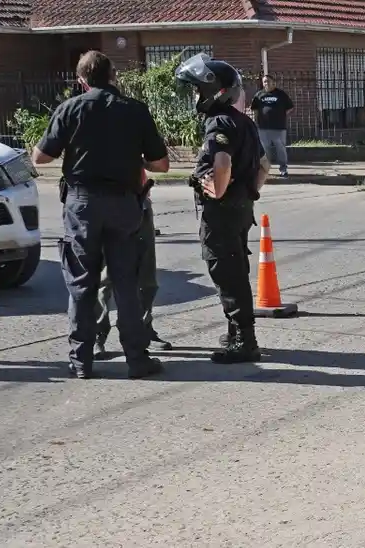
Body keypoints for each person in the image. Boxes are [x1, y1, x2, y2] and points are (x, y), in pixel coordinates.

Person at [31, 51, 170, 380]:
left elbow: (40, 157)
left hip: (82, 205)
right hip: (124, 205)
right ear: (113, 76)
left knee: (81, 284)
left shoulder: (70, 109)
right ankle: (137, 358)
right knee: (126, 282)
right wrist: (134, 159)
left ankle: (81, 361)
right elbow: (160, 164)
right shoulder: (135, 111)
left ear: (81, 80)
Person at [176, 53, 269, 364]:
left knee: (227, 273)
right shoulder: (245, 122)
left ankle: (245, 340)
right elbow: (264, 164)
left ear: (213, 90)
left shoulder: (217, 122)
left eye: (197, 90)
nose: (195, 96)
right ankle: (235, 332)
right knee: (235, 269)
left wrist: (215, 189)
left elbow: (223, 162)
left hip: (222, 212)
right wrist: (251, 190)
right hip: (241, 209)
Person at [94, 168, 172, 358]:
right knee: (105, 277)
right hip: (103, 203)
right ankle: (97, 334)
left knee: (146, 277)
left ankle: (144, 330)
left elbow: (160, 163)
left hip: (139, 202)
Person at [251, 74, 293, 179]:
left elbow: (290, 108)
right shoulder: (259, 95)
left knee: (281, 148)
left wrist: (279, 115)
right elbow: (255, 110)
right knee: (265, 150)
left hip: (279, 127)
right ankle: (265, 170)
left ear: (274, 82)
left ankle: (283, 169)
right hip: (263, 128)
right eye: (265, 81)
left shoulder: (281, 94)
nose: (266, 83)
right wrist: (256, 122)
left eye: (268, 81)